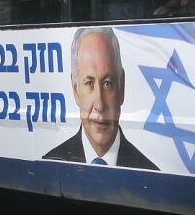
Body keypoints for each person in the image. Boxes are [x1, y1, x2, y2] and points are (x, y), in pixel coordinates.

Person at [43, 25, 158, 169]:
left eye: (107, 83)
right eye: (89, 83)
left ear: (121, 87)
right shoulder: (50, 165)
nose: (100, 105)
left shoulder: (150, 173)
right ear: (75, 90)